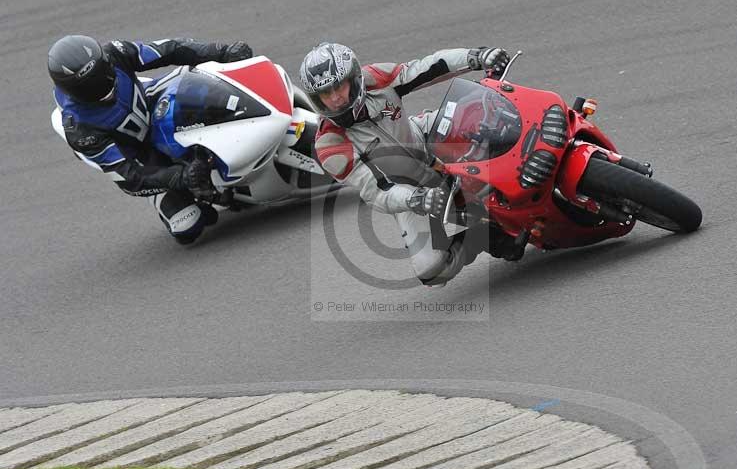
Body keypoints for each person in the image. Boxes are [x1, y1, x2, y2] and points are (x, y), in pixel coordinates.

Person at [299, 43, 515, 286]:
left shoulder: (376, 79)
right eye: (325, 94)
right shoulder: (330, 145)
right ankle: (481, 235)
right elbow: (377, 191)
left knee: (480, 111)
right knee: (431, 270)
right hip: (410, 191)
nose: (335, 98)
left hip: (425, 137)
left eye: (339, 86)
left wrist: (476, 57)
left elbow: (428, 67)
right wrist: (416, 199)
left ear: (354, 78)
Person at [48, 35, 253, 244]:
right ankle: (186, 196)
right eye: (89, 86)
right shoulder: (80, 129)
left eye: (102, 74)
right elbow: (129, 179)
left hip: (149, 103)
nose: (102, 85)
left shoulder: (116, 53)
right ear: (72, 91)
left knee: (203, 90)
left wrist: (222, 52)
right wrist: (182, 177)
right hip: (140, 155)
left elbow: (170, 49)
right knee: (188, 225)